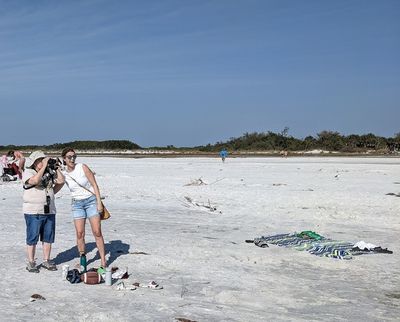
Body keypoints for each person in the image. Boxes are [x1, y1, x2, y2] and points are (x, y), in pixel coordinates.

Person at [61, 147, 107, 270]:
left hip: (91, 201)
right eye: (69, 157)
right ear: (64, 159)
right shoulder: (63, 173)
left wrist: (98, 202)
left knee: (97, 231)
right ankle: (83, 259)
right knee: (80, 233)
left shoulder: (82, 167)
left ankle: (103, 260)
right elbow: (57, 185)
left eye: (74, 156)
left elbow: (94, 184)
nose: (72, 159)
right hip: (77, 204)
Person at [22, 151, 65, 272]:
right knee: (32, 237)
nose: (43, 162)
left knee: (48, 237)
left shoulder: (49, 172)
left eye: (44, 160)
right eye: (41, 160)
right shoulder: (28, 172)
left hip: (49, 210)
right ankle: (31, 262)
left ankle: (47, 260)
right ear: (35, 162)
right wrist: (43, 167)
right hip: (33, 211)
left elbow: (61, 181)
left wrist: (55, 168)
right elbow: (35, 181)